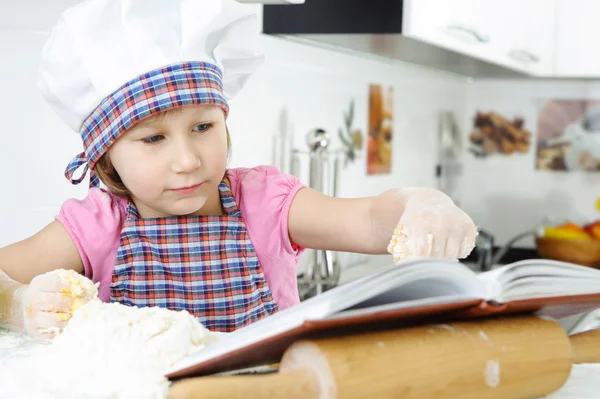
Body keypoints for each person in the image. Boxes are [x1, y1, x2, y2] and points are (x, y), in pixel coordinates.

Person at [0, 0, 477, 340]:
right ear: (106, 157)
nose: (188, 160)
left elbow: (372, 220)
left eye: (203, 126)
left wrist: (421, 204)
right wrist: (18, 305)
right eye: (153, 138)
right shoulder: (97, 224)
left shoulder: (264, 202)